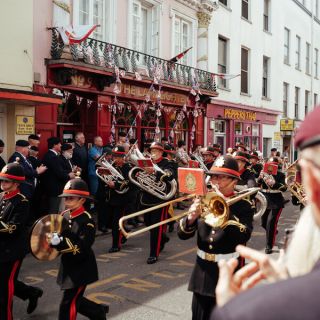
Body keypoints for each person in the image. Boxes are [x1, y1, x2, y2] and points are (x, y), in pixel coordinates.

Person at [211, 106, 320, 320]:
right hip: (266, 200)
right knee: (267, 223)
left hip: (275, 201)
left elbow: (277, 188)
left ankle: (270, 244)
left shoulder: (246, 313)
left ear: (313, 183)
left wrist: (283, 292)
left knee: (271, 225)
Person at [177, 155, 255, 320]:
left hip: (228, 273)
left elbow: (244, 235)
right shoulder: (203, 199)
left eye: (220, 177)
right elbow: (182, 235)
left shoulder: (244, 205)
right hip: (201, 273)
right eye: (212, 176)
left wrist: (225, 208)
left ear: (234, 180)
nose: (214, 180)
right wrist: (191, 218)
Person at [48, 178, 108, 320]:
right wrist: (52, 240)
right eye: (65, 198)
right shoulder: (64, 215)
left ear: (82, 200)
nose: (67, 201)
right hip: (68, 265)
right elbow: (58, 237)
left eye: (71, 198)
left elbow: (81, 248)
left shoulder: (87, 221)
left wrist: (60, 243)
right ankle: (98, 312)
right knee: (76, 300)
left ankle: (98, 312)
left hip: (82, 268)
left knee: (67, 304)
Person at [0, 163, 43, 319]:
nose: (3, 184)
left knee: (5, 287)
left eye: (6, 182)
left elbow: (13, 228)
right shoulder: (0, 196)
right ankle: (32, 293)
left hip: (12, 250)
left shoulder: (22, 201)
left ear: (16, 184)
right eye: (1, 181)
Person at [139, 142, 175, 264]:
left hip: (160, 198)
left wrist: (154, 172)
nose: (153, 153)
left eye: (155, 151)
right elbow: (138, 175)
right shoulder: (147, 162)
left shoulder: (167, 163)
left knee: (156, 227)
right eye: (152, 151)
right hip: (147, 198)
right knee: (148, 223)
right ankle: (163, 237)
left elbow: (169, 175)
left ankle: (154, 254)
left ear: (161, 152)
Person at [103, 146, 132, 252]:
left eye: (117, 156)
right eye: (114, 156)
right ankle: (123, 235)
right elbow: (106, 178)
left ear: (122, 157)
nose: (115, 158)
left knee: (116, 223)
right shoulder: (112, 166)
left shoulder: (127, 167)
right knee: (111, 222)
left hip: (121, 199)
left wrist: (115, 184)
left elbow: (128, 182)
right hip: (111, 197)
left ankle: (116, 245)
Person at [258, 157, 287, 253]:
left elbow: (284, 188)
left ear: (276, 166)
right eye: (270, 164)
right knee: (263, 223)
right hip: (265, 199)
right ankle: (273, 231)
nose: (271, 167)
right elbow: (258, 184)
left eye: (274, 165)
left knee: (271, 223)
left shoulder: (281, 175)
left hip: (276, 200)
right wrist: (260, 177)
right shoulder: (263, 173)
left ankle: (269, 246)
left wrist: (274, 183)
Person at [42, 137, 75, 213]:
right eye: (59, 144)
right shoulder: (53, 157)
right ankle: (54, 224)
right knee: (54, 210)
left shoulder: (50, 155)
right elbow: (59, 173)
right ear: (54, 145)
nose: (61, 145)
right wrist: (69, 175)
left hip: (52, 187)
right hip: (54, 188)